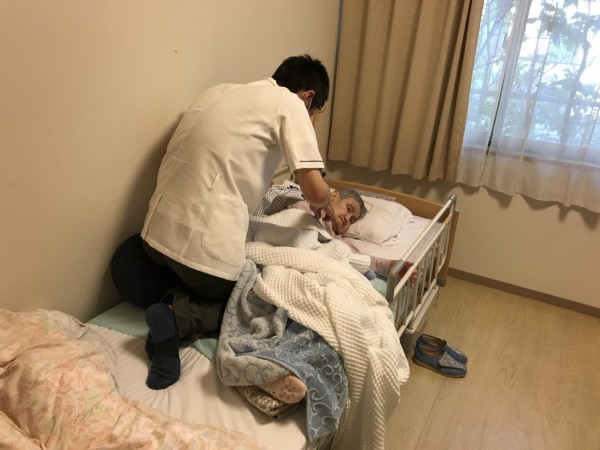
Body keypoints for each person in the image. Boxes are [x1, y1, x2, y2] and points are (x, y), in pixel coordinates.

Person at [115, 54, 334, 390]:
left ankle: (164, 294)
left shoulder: (219, 92)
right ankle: (177, 318)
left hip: (154, 237)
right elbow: (314, 190)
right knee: (248, 299)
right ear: (308, 97)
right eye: (315, 112)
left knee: (130, 259)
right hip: (204, 254)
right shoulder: (290, 103)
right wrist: (326, 200)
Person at [288, 188, 416, 280]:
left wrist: (390, 267)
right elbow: (291, 222)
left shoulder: (338, 241)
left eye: (352, 220)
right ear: (333, 196)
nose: (347, 218)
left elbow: (356, 257)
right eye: (348, 208)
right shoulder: (307, 206)